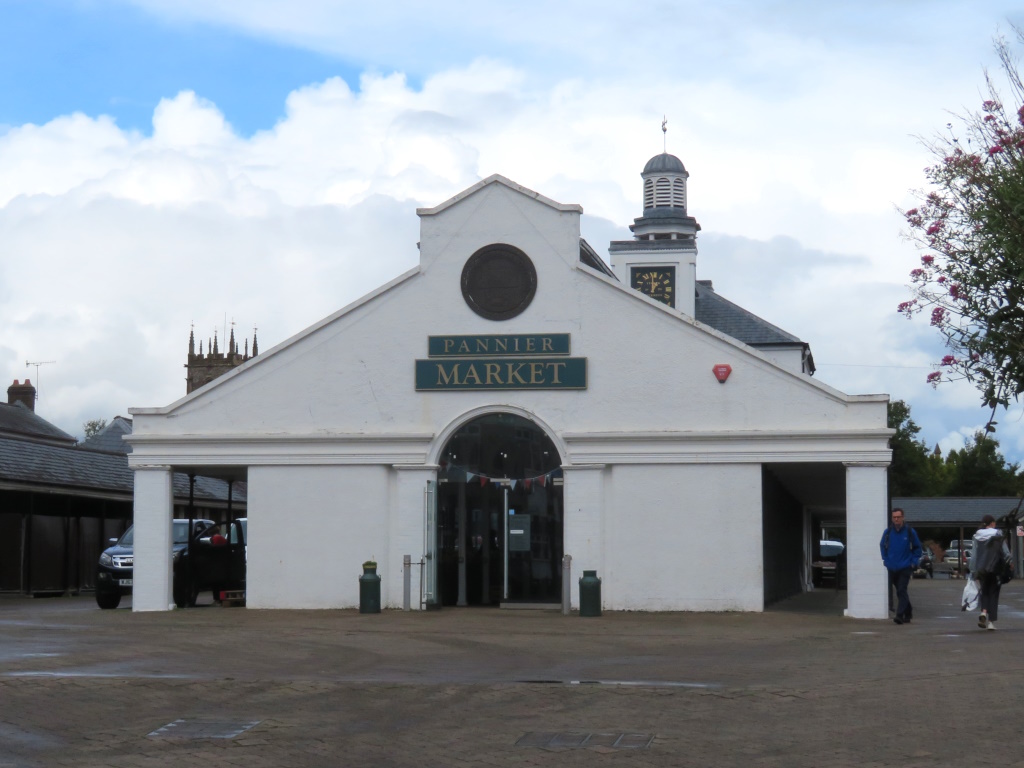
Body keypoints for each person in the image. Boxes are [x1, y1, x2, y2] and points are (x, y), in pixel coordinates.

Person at [880, 507, 922, 625]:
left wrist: (913, 561)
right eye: (894, 517)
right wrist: (886, 560)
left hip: (905, 566)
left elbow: (917, 548)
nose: (896, 519)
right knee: (899, 591)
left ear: (903, 517)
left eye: (898, 517)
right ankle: (908, 612)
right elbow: (882, 546)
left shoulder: (909, 532)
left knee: (901, 589)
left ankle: (899, 615)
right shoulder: (887, 532)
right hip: (892, 567)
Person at [971, 514, 1012, 631]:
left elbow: (974, 556)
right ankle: (991, 622)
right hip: (995, 568)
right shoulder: (998, 535)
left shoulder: (977, 536)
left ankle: (983, 612)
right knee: (994, 593)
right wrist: (1009, 563)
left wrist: (973, 571)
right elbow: (1006, 553)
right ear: (992, 523)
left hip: (981, 569)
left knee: (984, 592)